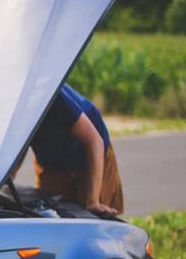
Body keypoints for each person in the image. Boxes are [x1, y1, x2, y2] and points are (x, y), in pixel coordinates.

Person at [28, 83, 124, 216]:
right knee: (49, 215)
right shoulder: (6, 108)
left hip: (91, 153)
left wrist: (93, 201)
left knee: (93, 216)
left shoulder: (52, 97)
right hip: (52, 162)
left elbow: (95, 142)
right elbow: (14, 151)